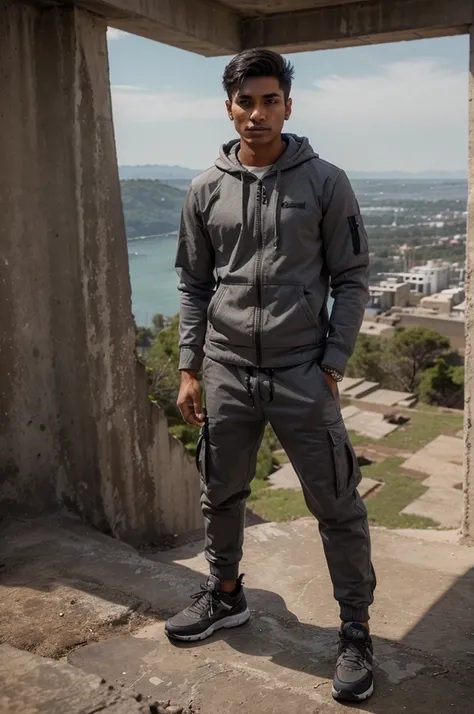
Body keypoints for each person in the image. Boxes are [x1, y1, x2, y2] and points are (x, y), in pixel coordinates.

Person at [165, 48, 376, 703]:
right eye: (245, 101)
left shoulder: (326, 182)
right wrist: (189, 367)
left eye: (269, 101)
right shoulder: (205, 188)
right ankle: (226, 594)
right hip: (226, 370)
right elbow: (194, 284)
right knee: (219, 495)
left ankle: (355, 632)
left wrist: (334, 362)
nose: (257, 114)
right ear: (228, 105)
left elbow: (352, 277)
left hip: (301, 373)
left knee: (337, 506)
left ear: (288, 105)